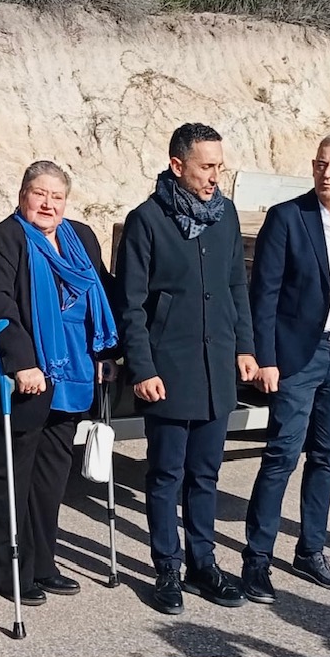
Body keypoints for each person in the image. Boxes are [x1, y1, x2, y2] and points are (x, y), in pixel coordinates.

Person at [0, 160, 119, 606]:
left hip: (69, 375)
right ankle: (6, 571)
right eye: (39, 194)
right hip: (17, 378)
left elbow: (99, 295)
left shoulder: (80, 237)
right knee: (7, 475)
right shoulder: (3, 239)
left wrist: (106, 354)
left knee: (49, 478)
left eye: (57, 196)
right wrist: (22, 362)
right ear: (22, 194)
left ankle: (42, 564)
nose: (48, 204)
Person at [114, 123, 258, 615]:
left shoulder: (225, 215)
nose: (216, 176)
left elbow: (237, 287)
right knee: (165, 475)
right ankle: (167, 570)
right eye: (206, 166)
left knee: (206, 475)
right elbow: (130, 306)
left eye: (220, 165)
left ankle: (204, 564)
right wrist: (143, 367)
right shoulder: (146, 221)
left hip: (217, 368)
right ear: (178, 166)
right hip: (169, 372)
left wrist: (245, 346)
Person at [241, 134, 330, 602]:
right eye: (321, 165)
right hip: (296, 358)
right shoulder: (287, 218)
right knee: (281, 455)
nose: (327, 174)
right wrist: (266, 359)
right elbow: (262, 295)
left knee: (325, 457)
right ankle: (257, 560)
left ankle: (311, 551)